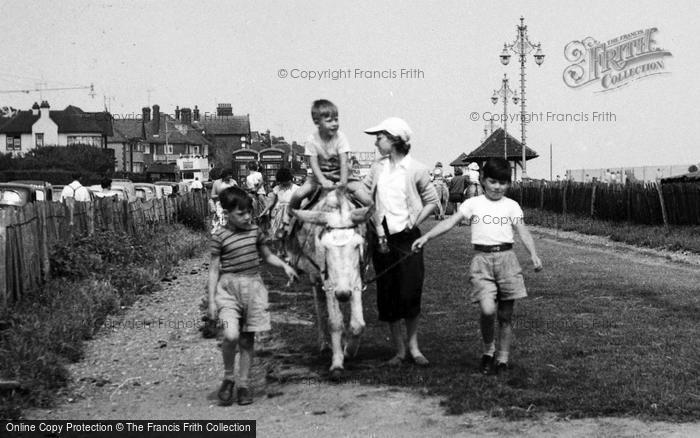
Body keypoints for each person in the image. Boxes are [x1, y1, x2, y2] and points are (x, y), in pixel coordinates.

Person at [412, 157, 543, 375]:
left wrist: (534, 254)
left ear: (508, 184)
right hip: (482, 261)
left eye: (502, 183)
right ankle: (488, 350)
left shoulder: (511, 206)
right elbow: (449, 222)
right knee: (487, 309)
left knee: (505, 316)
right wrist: (427, 237)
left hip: (507, 260)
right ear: (483, 180)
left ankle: (502, 359)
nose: (497, 187)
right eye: (493, 182)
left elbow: (522, 231)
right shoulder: (473, 203)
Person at [208, 186, 298, 406]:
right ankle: (229, 377)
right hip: (228, 290)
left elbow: (267, 256)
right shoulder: (219, 236)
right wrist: (211, 300)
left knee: (247, 340)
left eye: (249, 211)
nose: (247, 216)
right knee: (230, 336)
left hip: (253, 289)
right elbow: (213, 270)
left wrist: (285, 266)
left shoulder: (254, 231)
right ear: (227, 213)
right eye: (241, 213)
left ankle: (243, 384)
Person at [363, 117, 438, 367]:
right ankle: (399, 350)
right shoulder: (376, 168)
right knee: (388, 294)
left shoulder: (416, 169)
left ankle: (414, 348)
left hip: (408, 241)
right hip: (382, 240)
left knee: (410, 292)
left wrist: (415, 221)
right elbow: (364, 195)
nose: (376, 142)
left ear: (394, 140)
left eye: (380, 137)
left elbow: (432, 201)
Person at [285, 99, 374, 238]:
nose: (334, 124)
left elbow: (344, 161)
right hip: (319, 178)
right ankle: (287, 224)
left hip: (344, 177)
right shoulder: (312, 139)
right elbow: (313, 164)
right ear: (317, 122)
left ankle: (377, 231)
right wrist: (323, 180)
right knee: (298, 195)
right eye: (329, 120)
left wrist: (343, 182)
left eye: (336, 119)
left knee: (367, 200)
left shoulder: (341, 137)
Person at [259, 167, 299, 257]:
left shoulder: (297, 189)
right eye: (281, 181)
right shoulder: (277, 188)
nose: (283, 183)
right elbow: (271, 202)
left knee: (290, 233)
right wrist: (264, 212)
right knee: (278, 233)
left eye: (284, 181)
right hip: (279, 213)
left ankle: (289, 252)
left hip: (291, 213)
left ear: (289, 179)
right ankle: (280, 250)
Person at [210, 169, 238, 234]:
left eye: (231, 175)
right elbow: (212, 196)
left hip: (231, 205)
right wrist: (221, 195)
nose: (230, 177)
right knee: (221, 220)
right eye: (229, 175)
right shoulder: (216, 183)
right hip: (220, 205)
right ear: (224, 176)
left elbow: (238, 193)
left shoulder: (233, 182)